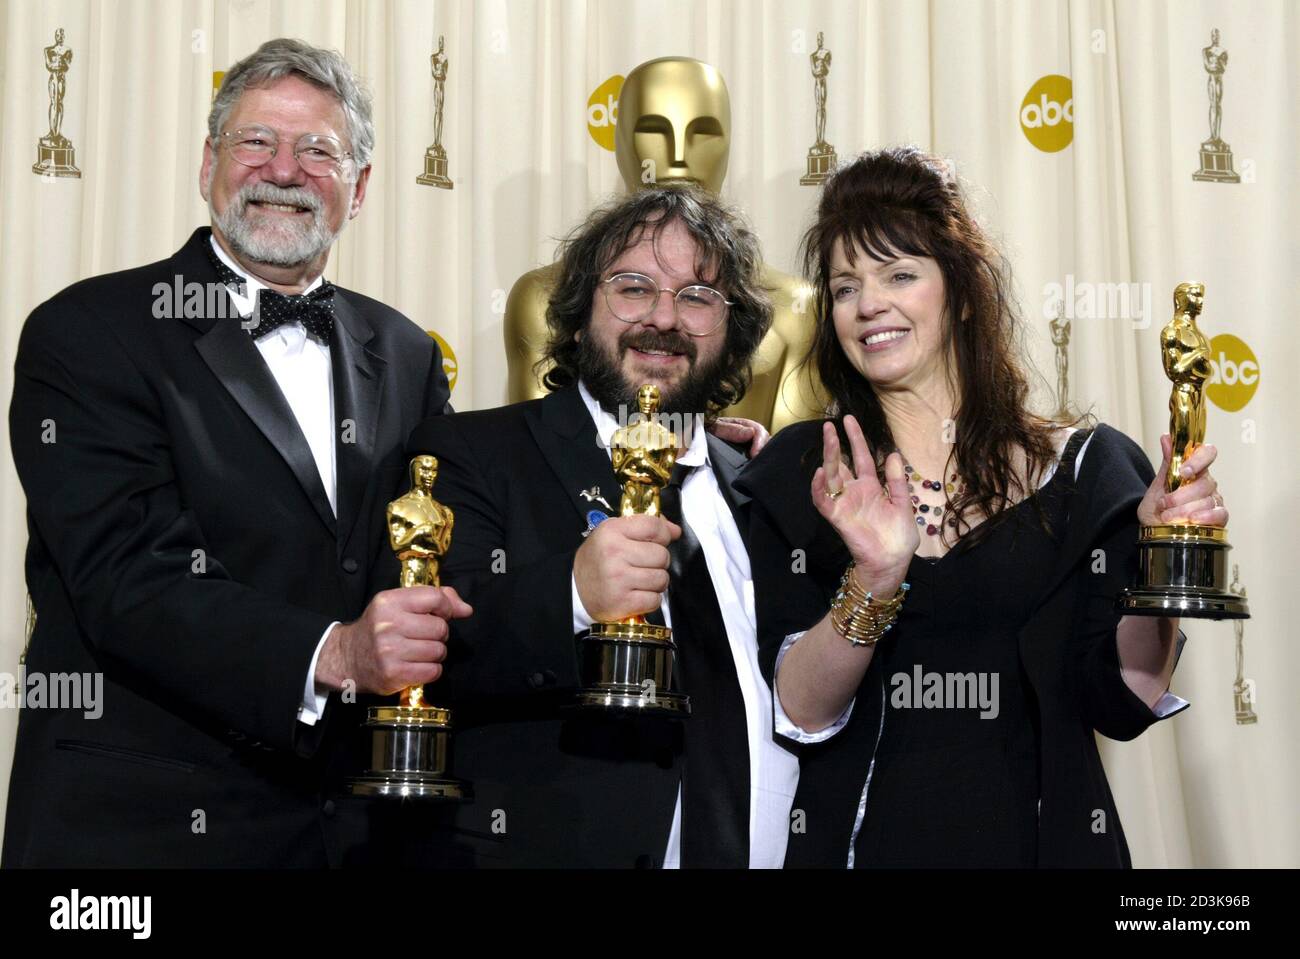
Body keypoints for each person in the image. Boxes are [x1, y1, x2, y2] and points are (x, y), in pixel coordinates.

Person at [4, 39, 467, 868]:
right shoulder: (90, 332)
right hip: (141, 830)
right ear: (209, 162)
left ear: (359, 189)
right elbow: (126, 576)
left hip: (351, 833)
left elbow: (451, 534)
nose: (283, 170)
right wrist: (335, 653)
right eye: (256, 141)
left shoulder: (405, 351)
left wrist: (693, 456)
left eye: (318, 149)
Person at [736, 147, 1227, 868]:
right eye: (846, 287)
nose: (869, 304)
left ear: (961, 291)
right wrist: (871, 582)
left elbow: (1122, 699)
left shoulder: (1087, 470)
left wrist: (1161, 564)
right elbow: (797, 712)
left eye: (900, 274)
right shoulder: (803, 474)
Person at [405, 185, 796, 867]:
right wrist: (572, 595)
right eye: (633, 287)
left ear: (731, 332)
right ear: (580, 316)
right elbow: (420, 660)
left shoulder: (766, 490)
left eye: (699, 296)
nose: (665, 318)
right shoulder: (471, 454)